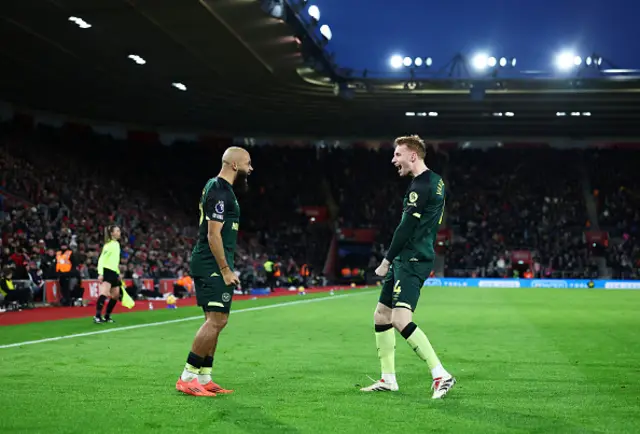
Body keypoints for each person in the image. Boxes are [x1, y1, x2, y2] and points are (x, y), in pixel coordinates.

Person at [360, 135, 456, 399]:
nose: (394, 160)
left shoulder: (421, 186)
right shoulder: (436, 181)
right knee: (381, 315)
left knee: (401, 319)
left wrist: (385, 260)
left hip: (412, 258)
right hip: (409, 257)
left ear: (413, 155)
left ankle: (441, 375)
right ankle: (388, 379)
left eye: (398, 155)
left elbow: (406, 228)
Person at [176, 146, 253, 397]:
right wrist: (225, 269)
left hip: (212, 263)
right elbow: (213, 234)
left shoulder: (221, 188)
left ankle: (204, 376)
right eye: (247, 164)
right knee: (217, 320)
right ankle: (187, 376)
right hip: (211, 264)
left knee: (217, 321)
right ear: (234, 165)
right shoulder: (219, 191)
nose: (250, 169)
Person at [94, 225, 123, 324]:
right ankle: (97, 316)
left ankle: (107, 316)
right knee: (104, 293)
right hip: (106, 271)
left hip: (114, 272)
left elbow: (115, 260)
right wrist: (100, 273)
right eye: (117, 231)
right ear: (112, 233)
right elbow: (101, 259)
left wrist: (118, 273)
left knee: (115, 295)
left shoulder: (117, 244)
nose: (119, 232)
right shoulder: (108, 245)